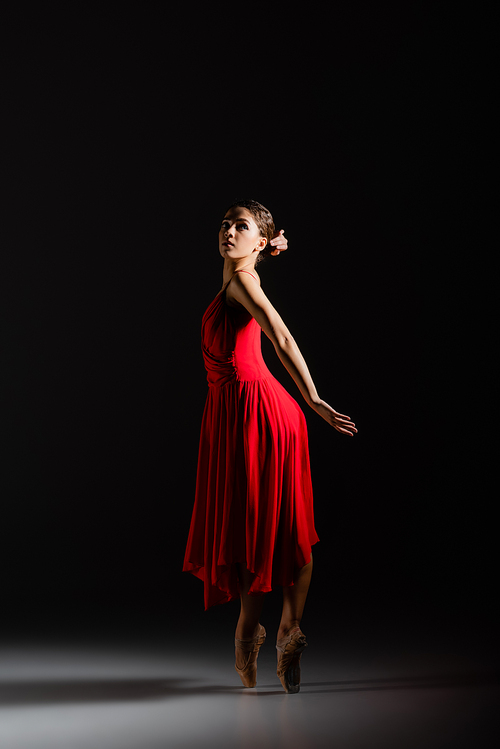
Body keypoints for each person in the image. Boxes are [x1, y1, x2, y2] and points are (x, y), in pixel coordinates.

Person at [183, 199, 357, 694]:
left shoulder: (240, 282)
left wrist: (315, 399)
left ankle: (256, 632)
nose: (228, 230)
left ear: (256, 242)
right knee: (269, 521)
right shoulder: (242, 276)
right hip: (242, 414)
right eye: (225, 223)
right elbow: (253, 269)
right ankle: (282, 629)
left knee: (259, 523)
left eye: (241, 226)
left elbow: (279, 336)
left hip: (255, 413)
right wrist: (269, 248)